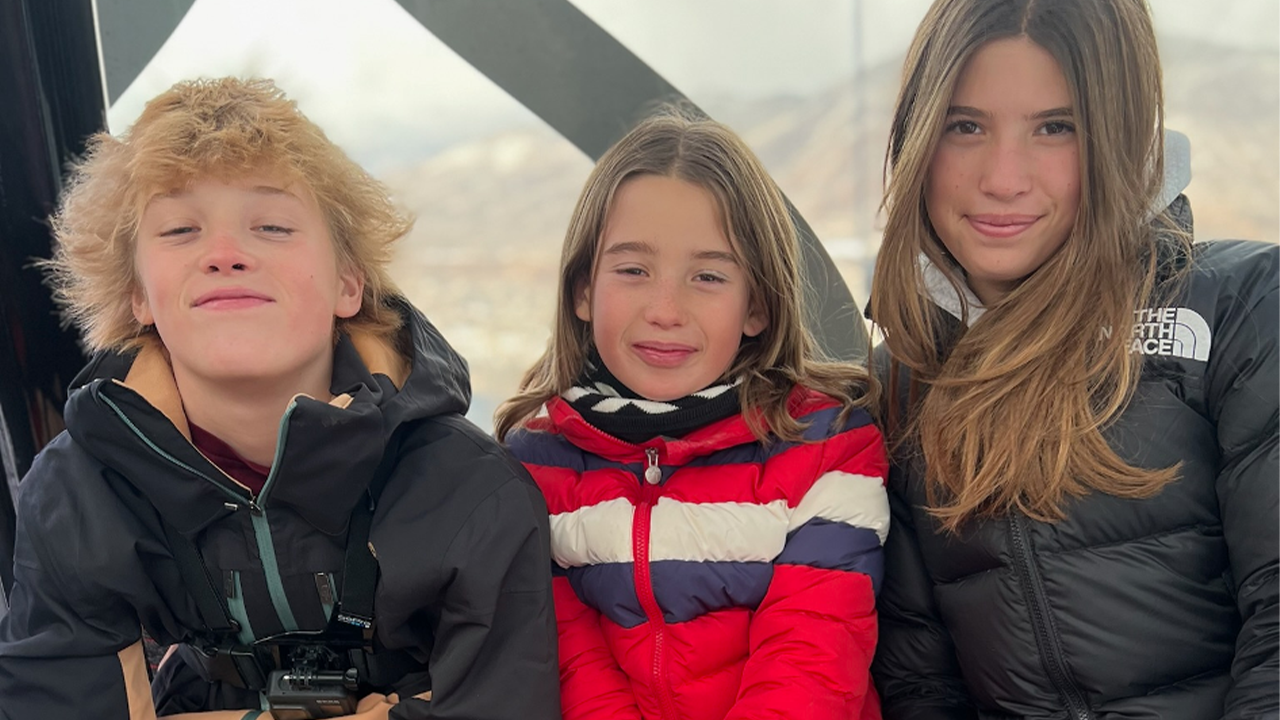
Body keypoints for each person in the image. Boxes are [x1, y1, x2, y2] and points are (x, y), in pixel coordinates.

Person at [0, 77, 561, 720]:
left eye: (272, 225)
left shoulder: (470, 490)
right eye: (181, 229)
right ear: (138, 296)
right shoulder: (79, 495)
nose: (225, 254)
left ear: (349, 284)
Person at [866, 0, 1278, 718]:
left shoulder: (1241, 308)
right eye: (966, 126)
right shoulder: (899, 381)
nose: (1003, 177)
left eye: (1056, 127)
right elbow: (920, 683)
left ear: (1118, 136)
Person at [495, 107, 890, 720]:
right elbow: (566, 658)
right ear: (581, 290)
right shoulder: (533, 462)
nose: (666, 308)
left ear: (756, 306)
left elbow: (812, 652)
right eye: (633, 270)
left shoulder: (827, 446)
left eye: (707, 276)